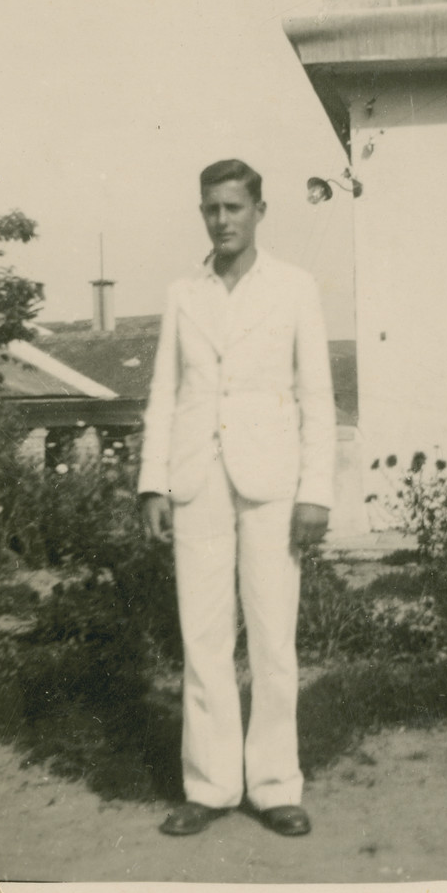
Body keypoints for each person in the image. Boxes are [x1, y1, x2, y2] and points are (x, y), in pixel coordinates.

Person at [139, 159, 336, 837]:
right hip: (197, 481)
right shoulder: (182, 294)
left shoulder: (294, 288)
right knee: (203, 638)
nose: (221, 220)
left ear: (258, 210)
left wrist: (315, 492)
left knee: (273, 638)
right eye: (210, 209)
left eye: (233, 207)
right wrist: (154, 482)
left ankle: (277, 785)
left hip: (272, 484)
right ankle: (211, 785)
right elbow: (166, 391)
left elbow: (317, 395)